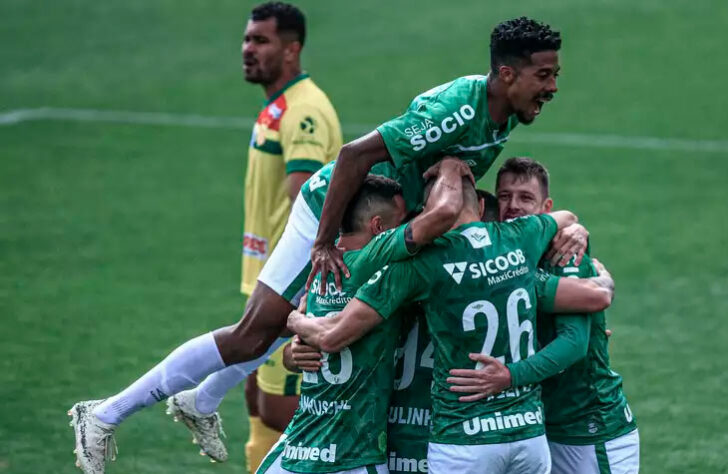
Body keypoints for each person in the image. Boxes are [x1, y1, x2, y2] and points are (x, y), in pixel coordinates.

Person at [69, 3, 342, 472]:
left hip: (285, 271)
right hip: (279, 271)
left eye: (261, 41)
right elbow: (304, 204)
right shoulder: (282, 106)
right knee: (267, 391)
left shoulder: (304, 112)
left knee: (264, 375)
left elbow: (305, 196)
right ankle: (123, 411)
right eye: (246, 39)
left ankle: (191, 402)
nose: (247, 50)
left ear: (292, 49)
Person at [285, 182, 613, 474]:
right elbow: (590, 297)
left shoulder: (410, 271)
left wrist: (295, 323)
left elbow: (330, 333)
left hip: (426, 440)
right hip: (439, 436)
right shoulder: (509, 264)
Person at [308, 17, 566, 290]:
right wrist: (323, 243)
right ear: (507, 74)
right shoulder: (458, 111)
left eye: (555, 75)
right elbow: (353, 155)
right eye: (543, 75)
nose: (553, 87)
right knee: (271, 319)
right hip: (334, 211)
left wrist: (571, 229)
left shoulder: (509, 113)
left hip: (389, 230)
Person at [258, 158, 473, 473]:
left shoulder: (319, 273)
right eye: (402, 221)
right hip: (352, 457)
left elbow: (298, 354)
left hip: (299, 451)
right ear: (379, 228)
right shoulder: (372, 263)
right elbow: (443, 215)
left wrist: (295, 327)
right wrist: (452, 167)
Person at [446, 157, 639, 473]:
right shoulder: (500, 253)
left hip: (590, 428)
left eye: (526, 198)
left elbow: (575, 343)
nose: (513, 206)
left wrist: (510, 377)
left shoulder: (564, 254)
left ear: (546, 207)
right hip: (540, 426)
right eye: (505, 196)